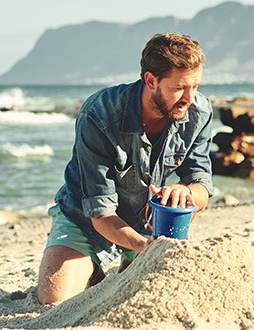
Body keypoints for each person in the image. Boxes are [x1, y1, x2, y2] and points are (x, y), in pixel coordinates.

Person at [36, 33, 214, 305]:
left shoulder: (199, 111)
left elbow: (201, 183)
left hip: (153, 223)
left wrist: (185, 191)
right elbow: (100, 213)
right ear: (151, 80)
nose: (189, 98)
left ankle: (128, 265)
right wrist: (145, 248)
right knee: (53, 300)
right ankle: (93, 265)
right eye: (180, 88)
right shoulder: (98, 114)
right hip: (85, 220)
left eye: (196, 86)